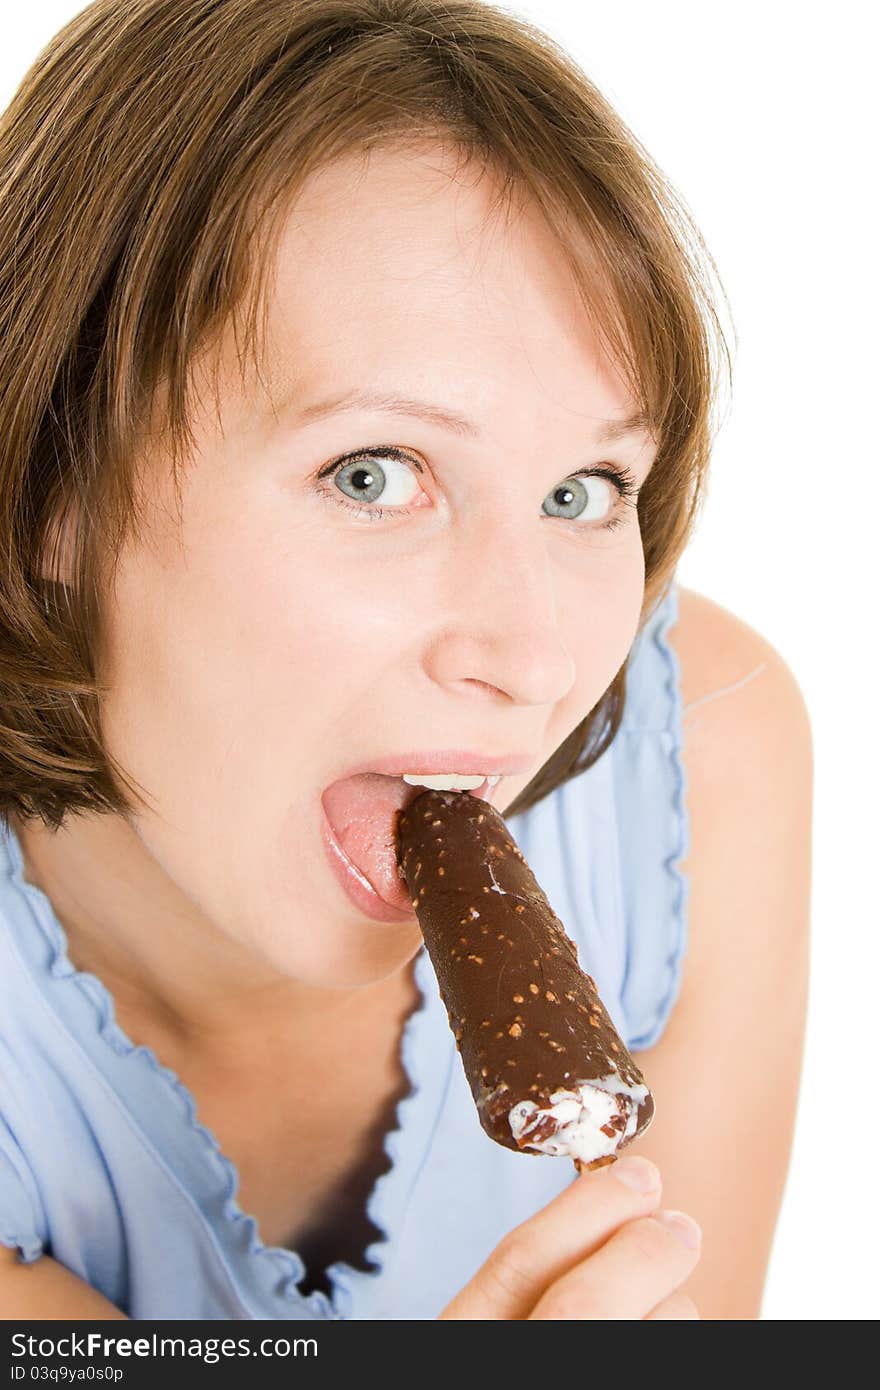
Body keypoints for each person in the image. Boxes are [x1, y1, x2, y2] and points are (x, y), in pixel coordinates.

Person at [0, 0, 812, 1321]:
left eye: (585, 489)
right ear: (53, 484)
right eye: (372, 474)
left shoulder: (706, 750)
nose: (536, 655)